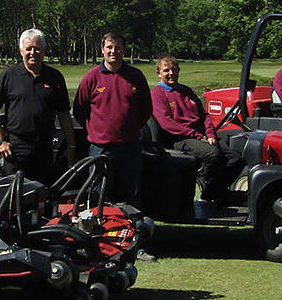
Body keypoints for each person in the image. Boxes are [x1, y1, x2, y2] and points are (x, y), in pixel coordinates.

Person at [74, 32, 152, 205]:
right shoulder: (92, 77)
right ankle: (97, 230)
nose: (113, 51)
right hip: (100, 148)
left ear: (123, 50)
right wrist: (97, 130)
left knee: (130, 196)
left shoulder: (136, 76)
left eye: (118, 47)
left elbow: (146, 109)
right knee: (97, 194)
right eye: (109, 47)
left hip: (129, 147)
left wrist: (130, 128)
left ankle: (132, 230)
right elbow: (80, 110)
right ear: (102, 49)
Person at [0, 28, 74, 184]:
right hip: (15, 148)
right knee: (14, 196)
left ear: (44, 50)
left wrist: (71, 145)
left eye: (37, 48)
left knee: (43, 195)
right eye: (28, 49)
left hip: (44, 147)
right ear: (21, 51)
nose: (33, 52)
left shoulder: (55, 77)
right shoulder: (9, 75)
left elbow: (63, 114)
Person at [151, 55, 242, 202]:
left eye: (174, 69)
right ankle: (210, 192)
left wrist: (210, 134)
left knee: (235, 158)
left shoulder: (186, 91)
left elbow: (204, 115)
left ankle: (215, 190)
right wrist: (198, 137)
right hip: (180, 138)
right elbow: (167, 124)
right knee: (213, 154)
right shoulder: (157, 94)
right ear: (159, 73)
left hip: (202, 135)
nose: (171, 73)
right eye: (166, 70)